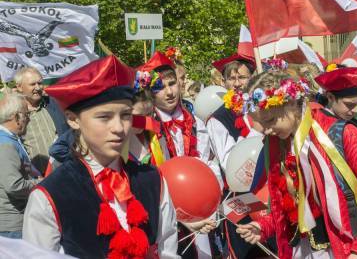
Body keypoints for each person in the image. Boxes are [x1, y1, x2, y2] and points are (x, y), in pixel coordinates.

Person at [22, 55, 180, 258]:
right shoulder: (50, 196)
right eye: (104, 117)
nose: (118, 128)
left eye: (125, 115)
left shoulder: (152, 180)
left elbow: (168, 251)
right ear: (73, 120)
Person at [236, 70, 357, 258]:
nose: (266, 130)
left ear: (290, 105)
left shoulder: (342, 134)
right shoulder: (275, 145)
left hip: (349, 249)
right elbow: (289, 207)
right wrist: (263, 226)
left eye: (271, 120)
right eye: (261, 124)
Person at [140, 51, 223, 258]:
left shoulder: (197, 123)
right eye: (160, 87)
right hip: (164, 217)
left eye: (172, 83)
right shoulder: (146, 130)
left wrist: (209, 206)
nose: (169, 92)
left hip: (200, 211)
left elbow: (209, 165)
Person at [0, 93, 41, 239]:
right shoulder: (5, 144)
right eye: (27, 114)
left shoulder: (9, 140)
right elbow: (14, 186)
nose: (29, 118)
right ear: (17, 117)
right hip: (11, 226)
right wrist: (40, 183)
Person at [15, 67, 68, 174]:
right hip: (36, 178)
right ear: (19, 87)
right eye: (32, 84)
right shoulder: (12, 114)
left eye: (40, 83)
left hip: (65, 170)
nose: (38, 88)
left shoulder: (54, 103)